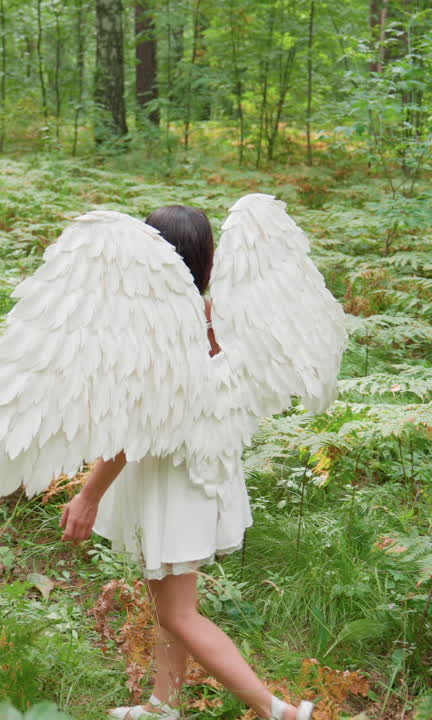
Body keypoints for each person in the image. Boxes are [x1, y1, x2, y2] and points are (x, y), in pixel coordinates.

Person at [57, 205, 315, 720]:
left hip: (172, 479)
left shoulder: (157, 331)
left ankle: (279, 712)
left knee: (179, 612)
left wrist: (88, 495)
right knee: (171, 606)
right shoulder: (219, 316)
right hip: (200, 472)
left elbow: (133, 431)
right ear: (206, 256)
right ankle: (162, 706)